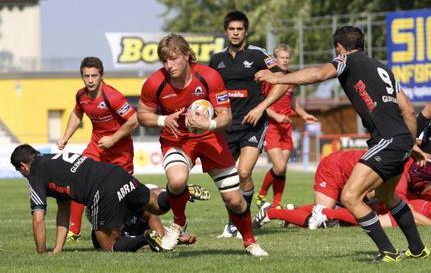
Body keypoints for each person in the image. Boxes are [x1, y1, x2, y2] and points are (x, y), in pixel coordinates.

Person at [255, 25, 429, 262]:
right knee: (388, 196)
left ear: (339, 47)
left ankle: (388, 251)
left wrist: (276, 77)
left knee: (349, 197)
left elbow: (317, 74)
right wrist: (410, 144)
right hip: (398, 140)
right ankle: (418, 249)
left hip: (386, 140)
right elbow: (408, 110)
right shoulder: (383, 69)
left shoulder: (346, 60)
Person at [137, 33, 268, 256]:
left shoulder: (209, 76)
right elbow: (142, 115)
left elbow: (226, 117)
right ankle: (178, 224)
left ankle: (249, 241)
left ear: (187, 55)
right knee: (177, 180)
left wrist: (208, 124)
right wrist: (163, 120)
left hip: (210, 139)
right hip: (176, 139)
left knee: (234, 200)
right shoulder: (154, 83)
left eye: (174, 59)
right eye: (164, 61)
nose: (169, 65)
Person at [10, 144, 175, 253]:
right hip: (117, 173)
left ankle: (145, 237)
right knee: (155, 205)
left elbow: (38, 219)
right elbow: (64, 209)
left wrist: (41, 253)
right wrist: (57, 250)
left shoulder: (35, 175)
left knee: (108, 246)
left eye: (20, 171)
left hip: (102, 189)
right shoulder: (53, 160)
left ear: (23, 167)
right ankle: (178, 191)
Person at [209, 10, 288, 237]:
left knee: (243, 172)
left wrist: (261, 107)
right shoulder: (217, 60)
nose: (235, 33)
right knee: (226, 178)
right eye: (231, 29)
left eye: (239, 29)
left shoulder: (258, 55)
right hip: (226, 126)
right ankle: (234, 219)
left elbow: (282, 81)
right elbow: (207, 89)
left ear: (246, 31)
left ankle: (238, 224)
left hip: (253, 125)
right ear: (226, 32)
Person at [57, 57, 138, 242]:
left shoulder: (113, 96)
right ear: (82, 77)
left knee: (123, 194)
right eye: (87, 76)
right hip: (97, 148)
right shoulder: (81, 96)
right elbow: (77, 114)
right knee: (77, 178)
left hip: (120, 152)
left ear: (102, 76)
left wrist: (113, 139)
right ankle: (74, 230)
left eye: (94, 75)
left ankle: (142, 221)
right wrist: (65, 137)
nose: (91, 80)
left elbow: (134, 120)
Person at [254, 150, 431, 230]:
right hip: (332, 169)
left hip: (347, 173)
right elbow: (406, 211)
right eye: (424, 184)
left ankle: (289, 210)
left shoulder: (402, 164)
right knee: (323, 217)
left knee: (348, 212)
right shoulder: (401, 179)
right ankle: (271, 212)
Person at [256, 44, 317, 209]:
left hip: (286, 128)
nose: (285, 60)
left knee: (283, 169)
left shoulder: (290, 77)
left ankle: (276, 204)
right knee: (280, 166)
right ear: (275, 59)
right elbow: (260, 103)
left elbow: (292, 100)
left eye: (287, 58)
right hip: (271, 127)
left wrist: (304, 114)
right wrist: (276, 116)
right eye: (282, 57)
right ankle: (260, 195)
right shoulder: (270, 77)